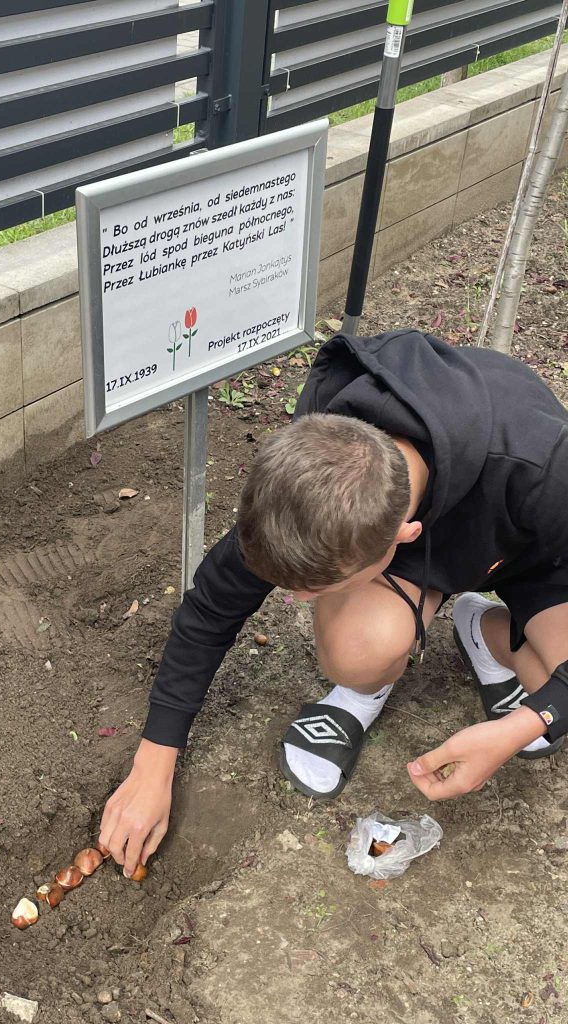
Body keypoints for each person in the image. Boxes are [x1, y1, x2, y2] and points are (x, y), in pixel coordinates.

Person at [99, 329, 568, 876]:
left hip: (532, 555)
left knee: (551, 685)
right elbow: (212, 607)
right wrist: (154, 762)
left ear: (403, 536)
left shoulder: (545, 469)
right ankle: (366, 689)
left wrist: (520, 727)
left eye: (317, 588)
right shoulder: (309, 475)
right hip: (419, 548)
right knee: (358, 647)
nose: (298, 599)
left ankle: (489, 632)